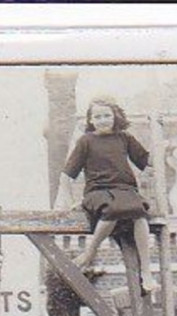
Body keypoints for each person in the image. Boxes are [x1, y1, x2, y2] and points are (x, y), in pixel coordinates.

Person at [58, 96, 155, 293]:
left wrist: (160, 143)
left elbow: (147, 161)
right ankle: (90, 252)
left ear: (114, 116)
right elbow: (66, 175)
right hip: (98, 191)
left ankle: (146, 270)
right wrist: (69, 202)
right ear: (91, 120)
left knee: (139, 213)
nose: (102, 120)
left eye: (106, 115)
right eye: (98, 116)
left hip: (125, 190)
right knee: (114, 209)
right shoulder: (86, 141)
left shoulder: (124, 138)